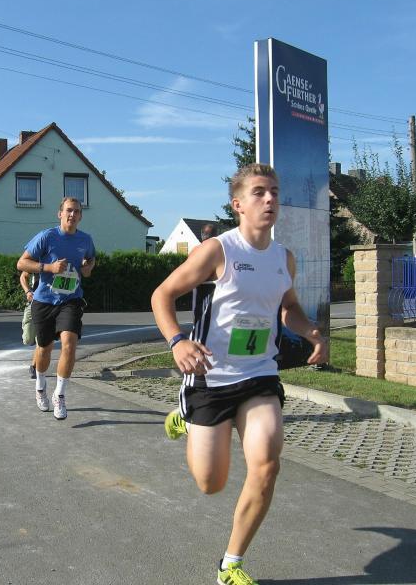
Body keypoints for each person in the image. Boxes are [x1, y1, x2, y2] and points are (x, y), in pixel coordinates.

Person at [151, 163, 328, 584]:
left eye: (275, 192)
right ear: (238, 205)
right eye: (259, 192)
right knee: (211, 483)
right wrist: (178, 341)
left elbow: (288, 307)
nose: (270, 199)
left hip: (260, 374)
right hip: (211, 376)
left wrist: (310, 331)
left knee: (267, 464)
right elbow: (162, 295)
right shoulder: (218, 251)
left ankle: (230, 564)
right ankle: (185, 416)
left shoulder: (283, 258)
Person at [16, 197, 96, 420]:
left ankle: (59, 395)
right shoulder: (47, 237)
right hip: (44, 301)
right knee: (44, 349)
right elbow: (21, 263)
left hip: (71, 300)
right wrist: (49, 267)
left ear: (80, 216)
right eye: (68, 210)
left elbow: (91, 260)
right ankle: (41, 387)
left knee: (69, 343)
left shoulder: (86, 240)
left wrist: (88, 267)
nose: (72, 215)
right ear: (60, 214)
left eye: (77, 211)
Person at [20, 270, 41, 380]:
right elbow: (23, 276)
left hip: (48, 305)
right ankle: (34, 339)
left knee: (41, 340)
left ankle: (34, 366)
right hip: (33, 303)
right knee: (27, 339)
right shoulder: (37, 262)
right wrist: (28, 291)